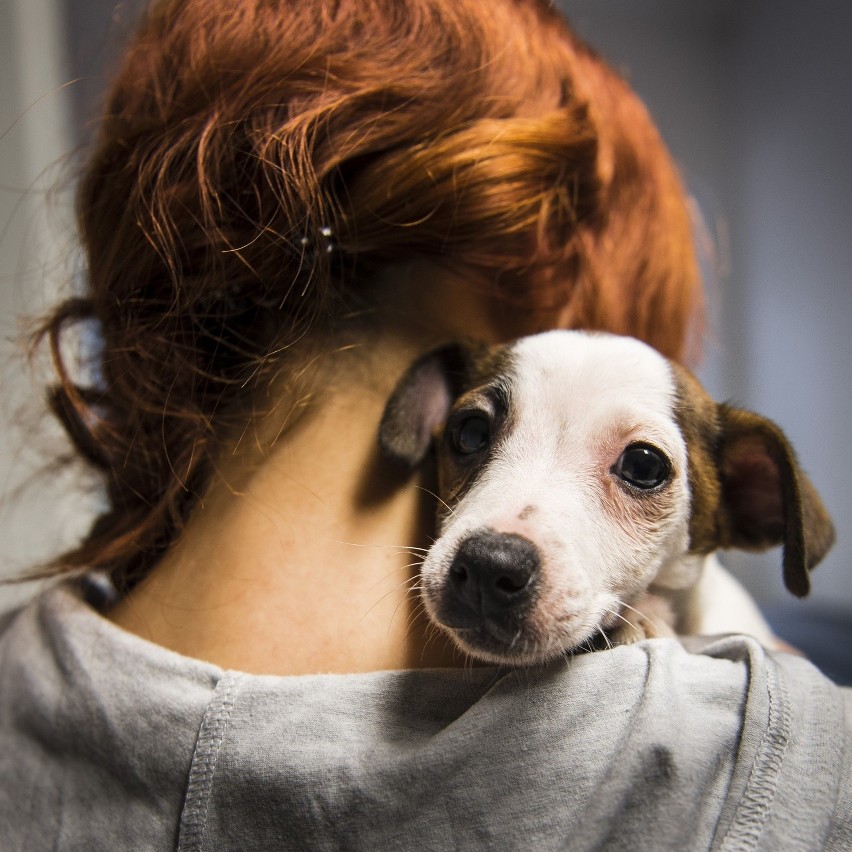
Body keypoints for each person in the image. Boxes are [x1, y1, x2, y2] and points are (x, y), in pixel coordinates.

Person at [0, 1, 849, 849]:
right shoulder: (788, 767)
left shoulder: (18, 677)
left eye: (641, 469)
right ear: (538, 253)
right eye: (479, 434)